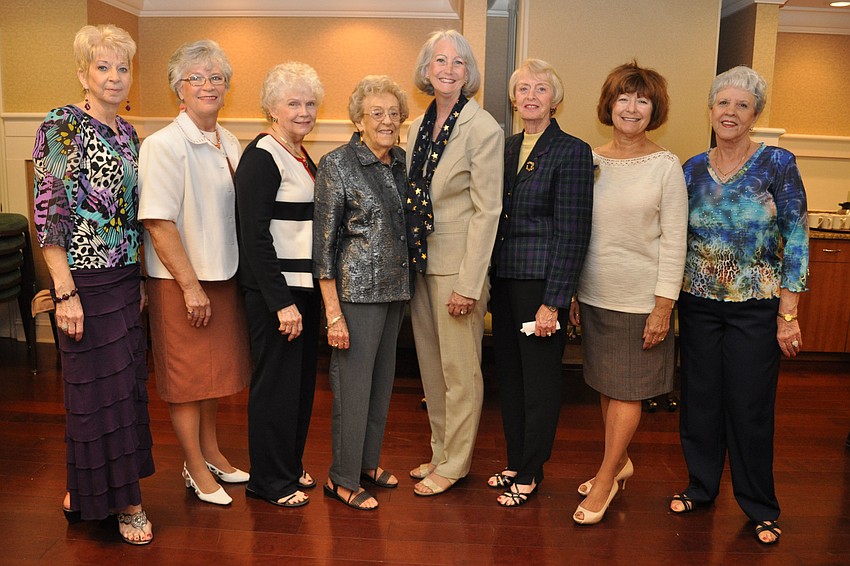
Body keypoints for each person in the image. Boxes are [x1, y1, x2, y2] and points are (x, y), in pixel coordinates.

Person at [671, 65, 808, 545]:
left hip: (757, 306)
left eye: (742, 105)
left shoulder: (778, 163)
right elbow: (674, 237)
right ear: (710, 109)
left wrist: (788, 314)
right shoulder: (690, 169)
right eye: (723, 103)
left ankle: (759, 504)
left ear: (755, 115)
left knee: (750, 406)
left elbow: (796, 238)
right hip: (698, 304)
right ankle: (701, 486)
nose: (730, 113)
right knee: (700, 401)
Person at [32, 24, 154, 545]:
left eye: (122, 68)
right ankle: (121, 501)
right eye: (102, 67)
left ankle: (96, 492)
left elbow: (133, 214)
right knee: (91, 394)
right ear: (83, 74)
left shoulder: (128, 133)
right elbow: (49, 214)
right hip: (83, 281)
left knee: (123, 391)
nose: (114, 77)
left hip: (124, 278)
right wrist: (64, 293)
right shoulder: (60, 125)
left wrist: (141, 275)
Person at [569, 61, 688, 524]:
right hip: (595, 292)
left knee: (628, 390)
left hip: (641, 300)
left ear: (655, 110)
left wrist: (664, 306)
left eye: (643, 100)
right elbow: (578, 231)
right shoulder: (589, 159)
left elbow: (675, 240)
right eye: (624, 98)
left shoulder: (665, 166)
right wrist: (573, 291)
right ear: (609, 104)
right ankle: (619, 462)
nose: (632, 108)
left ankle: (606, 478)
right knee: (607, 383)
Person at [139, 39, 250, 507]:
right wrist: (190, 287)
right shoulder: (163, 145)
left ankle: (211, 453)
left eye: (216, 77)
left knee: (213, 376)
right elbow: (158, 223)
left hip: (222, 275)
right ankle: (194, 467)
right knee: (186, 382)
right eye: (196, 78)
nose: (208, 85)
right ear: (178, 89)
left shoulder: (230, 141)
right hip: (181, 283)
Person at [488, 59, 593, 507]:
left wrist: (554, 301)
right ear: (514, 99)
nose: (531, 96)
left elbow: (574, 232)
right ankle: (515, 461)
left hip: (541, 285)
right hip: (504, 279)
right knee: (510, 379)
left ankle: (531, 471)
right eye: (524, 89)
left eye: (541, 89)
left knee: (539, 382)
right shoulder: (505, 148)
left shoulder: (572, 151)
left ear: (555, 99)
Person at [406, 29, 504, 497]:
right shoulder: (417, 126)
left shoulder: (482, 128)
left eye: (458, 62)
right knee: (432, 369)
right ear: (426, 70)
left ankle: (457, 463)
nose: (448, 69)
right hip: (421, 262)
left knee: (460, 372)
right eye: (440, 60)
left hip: (458, 269)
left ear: (469, 73)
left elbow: (488, 211)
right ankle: (440, 451)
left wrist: (469, 283)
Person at [313, 75, 412, 511]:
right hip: (355, 296)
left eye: (393, 113)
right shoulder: (337, 164)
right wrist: (333, 313)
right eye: (377, 113)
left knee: (381, 386)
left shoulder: (399, 161)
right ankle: (341, 478)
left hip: (394, 291)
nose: (387, 121)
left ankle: (367, 464)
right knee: (352, 390)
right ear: (358, 120)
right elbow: (323, 247)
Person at [234, 62, 324, 508]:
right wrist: (280, 302)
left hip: (303, 290)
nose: (303, 111)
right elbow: (253, 237)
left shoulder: (300, 154)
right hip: (278, 295)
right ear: (272, 108)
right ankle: (268, 481)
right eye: (293, 103)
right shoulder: (262, 157)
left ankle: (287, 465)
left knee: (299, 388)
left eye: (310, 103)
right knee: (275, 388)